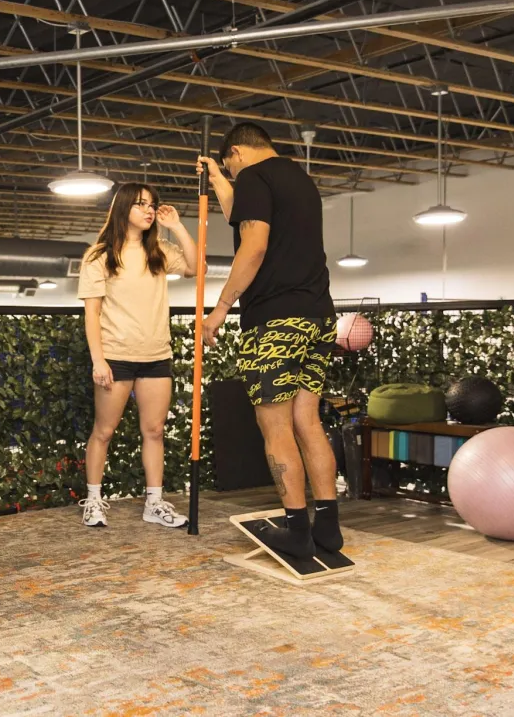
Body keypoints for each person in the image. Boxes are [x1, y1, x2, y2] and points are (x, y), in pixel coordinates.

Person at [196, 121, 342, 559]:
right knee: (308, 424)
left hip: (276, 322)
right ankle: (328, 528)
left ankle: (296, 529)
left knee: (274, 426)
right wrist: (221, 179)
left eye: (229, 168)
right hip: (318, 316)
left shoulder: (255, 178)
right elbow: (239, 213)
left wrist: (220, 309)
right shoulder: (298, 177)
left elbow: (253, 245)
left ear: (237, 153)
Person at [75, 182, 198, 528]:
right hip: (116, 356)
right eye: (141, 204)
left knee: (155, 430)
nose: (148, 210)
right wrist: (98, 360)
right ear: (123, 208)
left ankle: (154, 503)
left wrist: (176, 226)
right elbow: (92, 314)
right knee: (104, 430)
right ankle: (95, 500)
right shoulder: (100, 256)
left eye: (152, 205)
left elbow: (195, 266)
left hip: (156, 355)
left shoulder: (158, 250)